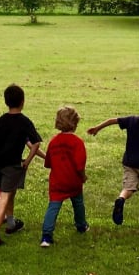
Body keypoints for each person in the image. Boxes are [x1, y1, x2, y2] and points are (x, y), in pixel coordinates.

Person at [87, 95, 139, 225]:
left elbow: (112, 120)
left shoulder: (131, 120)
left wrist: (97, 128)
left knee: (129, 187)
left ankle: (121, 199)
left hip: (129, 161)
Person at [0, 84, 42, 246]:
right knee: (4, 196)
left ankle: (11, 223)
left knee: (10, 192)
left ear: (6, 102)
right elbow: (36, 143)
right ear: (22, 102)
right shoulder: (24, 122)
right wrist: (27, 161)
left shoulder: (1, 120)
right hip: (12, 165)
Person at [40, 106, 89, 247]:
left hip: (57, 181)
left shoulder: (53, 142)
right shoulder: (77, 142)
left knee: (53, 207)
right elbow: (80, 166)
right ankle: (81, 225)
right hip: (73, 181)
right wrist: (83, 177)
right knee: (78, 203)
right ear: (75, 123)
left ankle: (46, 236)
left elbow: (48, 163)